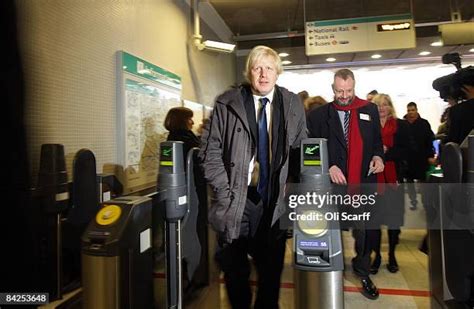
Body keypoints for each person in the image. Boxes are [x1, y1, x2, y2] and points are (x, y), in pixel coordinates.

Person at [199, 45, 307, 308]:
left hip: (274, 200)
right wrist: (225, 192)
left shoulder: (291, 104)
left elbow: (302, 149)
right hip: (237, 199)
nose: (263, 74)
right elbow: (208, 151)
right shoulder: (227, 102)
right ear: (249, 72)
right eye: (257, 68)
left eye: (269, 68)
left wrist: (293, 190)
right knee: (235, 271)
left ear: (277, 72)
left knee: (271, 272)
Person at [307, 68, 384, 300]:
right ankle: (333, 271)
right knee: (333, 232)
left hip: (362, 182)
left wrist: (378, 157)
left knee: (363, 232)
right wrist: (328, 165)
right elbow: (310, 150)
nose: (343, 95)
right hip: (332, 186)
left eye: (348, 90)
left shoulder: (368, 109)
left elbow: (377, 143)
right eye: (339, 91)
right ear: (333, 89)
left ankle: (362, 271)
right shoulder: (319, 115)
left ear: (354, 86)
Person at [369, 93, 409, 274]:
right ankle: (376, 255)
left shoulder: (400, 125)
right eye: (378, 105)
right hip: (374, 181)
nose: (382, 108)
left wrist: (387, 152)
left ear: (390, 106)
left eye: (385, 104)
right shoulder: (368, 125)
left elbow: (407, 151)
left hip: (394, 180)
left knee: (394, 222)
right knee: (374, 221)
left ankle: (392, 254)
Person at [403, 102, 435, 210]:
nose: (411, 112)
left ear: (417, 110)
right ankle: (413, 201)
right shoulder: (403, 124)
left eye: (413, 110)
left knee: (423, 181)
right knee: (409, 182)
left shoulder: (424, 124)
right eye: (409, 110)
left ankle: (426, 201)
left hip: (422, 157)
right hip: (407, 159)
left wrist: (431, 155)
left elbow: (430, 140)